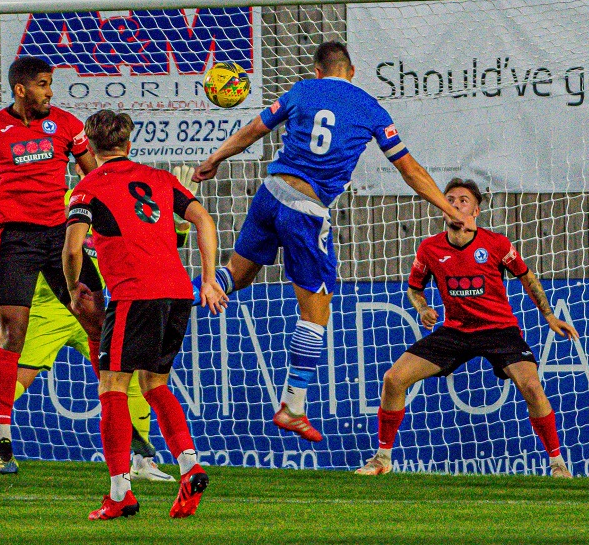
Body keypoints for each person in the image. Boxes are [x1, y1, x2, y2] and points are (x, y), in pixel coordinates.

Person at [192, 40, 475, 442]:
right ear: (352, 71)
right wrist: (447, 209)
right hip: (304, 211)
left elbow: (253, 130)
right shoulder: (369, 109)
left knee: (236, 274)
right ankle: (292, 406)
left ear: (319, 71)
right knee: (316, 312)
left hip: (269, 193)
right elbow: (408, 168)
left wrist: (214, 159)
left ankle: (174, 294)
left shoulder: (302, 91)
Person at [0, 164, 199, 482]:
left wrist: (179, 224)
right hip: (53, 308)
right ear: (80, 166)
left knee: (129, 381)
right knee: (16, 382)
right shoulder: (63, 203)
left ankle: (141, 461)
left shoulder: (127, 206)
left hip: (100, 310)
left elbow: (162, 248)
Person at [63, 109, 227, 520]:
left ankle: (120, 491)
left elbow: (71, 249)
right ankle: (189, 466)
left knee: (112, 385)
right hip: (176, 293)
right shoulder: (160, 179)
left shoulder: (86, 188)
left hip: (134, 295)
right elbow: (204, 219)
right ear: (129, 144)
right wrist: (208, 279)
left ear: (91, 146)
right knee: (154, 383)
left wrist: (72, 289)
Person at [355, 178, 578, 478]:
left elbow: (526, 277)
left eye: (463, 199)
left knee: (531, 387)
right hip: (456, 332)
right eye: (450, 198)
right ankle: (382, 458)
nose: (456, 203)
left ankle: (557, 464)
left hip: (499, 330)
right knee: (393, 379)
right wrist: (422, 308)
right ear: (441, 207)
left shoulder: (496, 244)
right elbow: (414, 288)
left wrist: (549, 315)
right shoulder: (430, 248)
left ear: (475, 211)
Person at [0, 56, 105, 474]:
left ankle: (122, 429)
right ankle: (2, 441)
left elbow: (94, 180)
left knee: (96, 318)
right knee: (11, 331)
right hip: (16, 239)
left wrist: (111, 232)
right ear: (20, 90)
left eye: (50, 83)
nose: (49, 91)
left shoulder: (68, 126)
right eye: (42, 84)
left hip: (62, 236)